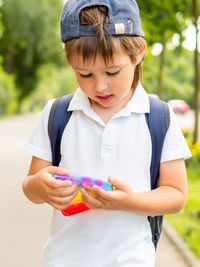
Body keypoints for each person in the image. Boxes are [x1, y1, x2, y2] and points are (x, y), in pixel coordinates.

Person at [22, 0, 191, 266]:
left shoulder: (159, 118)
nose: (100, 86)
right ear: (70, 63)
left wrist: (129, 201)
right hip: (63, 260)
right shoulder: (57, 114)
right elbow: (31, 186)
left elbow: (177, 196)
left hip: (132, 260)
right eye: (84, 74)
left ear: (139, 53)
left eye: (112, 71)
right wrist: (40, 187)